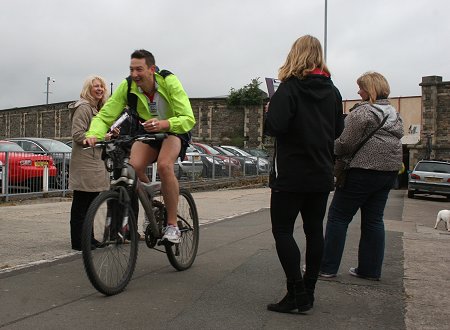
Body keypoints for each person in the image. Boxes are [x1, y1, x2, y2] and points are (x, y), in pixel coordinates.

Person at [264, 35, 344, 313]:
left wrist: (269, 110)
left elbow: (275, 126)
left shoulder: (289, 89)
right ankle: (308, 292)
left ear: (294, 55)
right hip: (321, 172)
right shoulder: (333, 92)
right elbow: (338, 131)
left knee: (283, 230)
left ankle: (295, 291)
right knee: (314, 232)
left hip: (291, 173)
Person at [84, 49, 195, 244]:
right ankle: (151, 202)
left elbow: (188, 118)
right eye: (131, 69)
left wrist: (164, 124)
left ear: (151, 69)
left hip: (173, 130)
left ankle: (172, 225)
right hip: (148, 132)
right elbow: (106, 115)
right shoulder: (127, 87)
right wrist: (93, 134)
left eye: (139, 69)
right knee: (133, 168)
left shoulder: (169, 81)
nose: (134, 74)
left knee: (164, 165)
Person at [320, 71, 403, 281]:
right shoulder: (393, 112)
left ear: (371, 89)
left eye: (362, 87)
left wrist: (327, 145)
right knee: (374, 220)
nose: (358, 91)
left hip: (362, 170)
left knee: (338, 217)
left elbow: (345, 143)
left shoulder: (363, 112)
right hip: (388, 172)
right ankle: (370, 270)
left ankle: (327, 267)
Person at [68, 75, 111, 251]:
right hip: (85, 162)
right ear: (88, 89)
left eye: (102, 86)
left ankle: (89, 238)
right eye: (96, 86)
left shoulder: (97, 109)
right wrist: (102, 136)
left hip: (94, 161)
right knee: (81, 204)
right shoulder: (84, 108)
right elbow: (78, 134)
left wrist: (110, 134)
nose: (100, 89)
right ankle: (78, 241)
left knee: (90, 204)